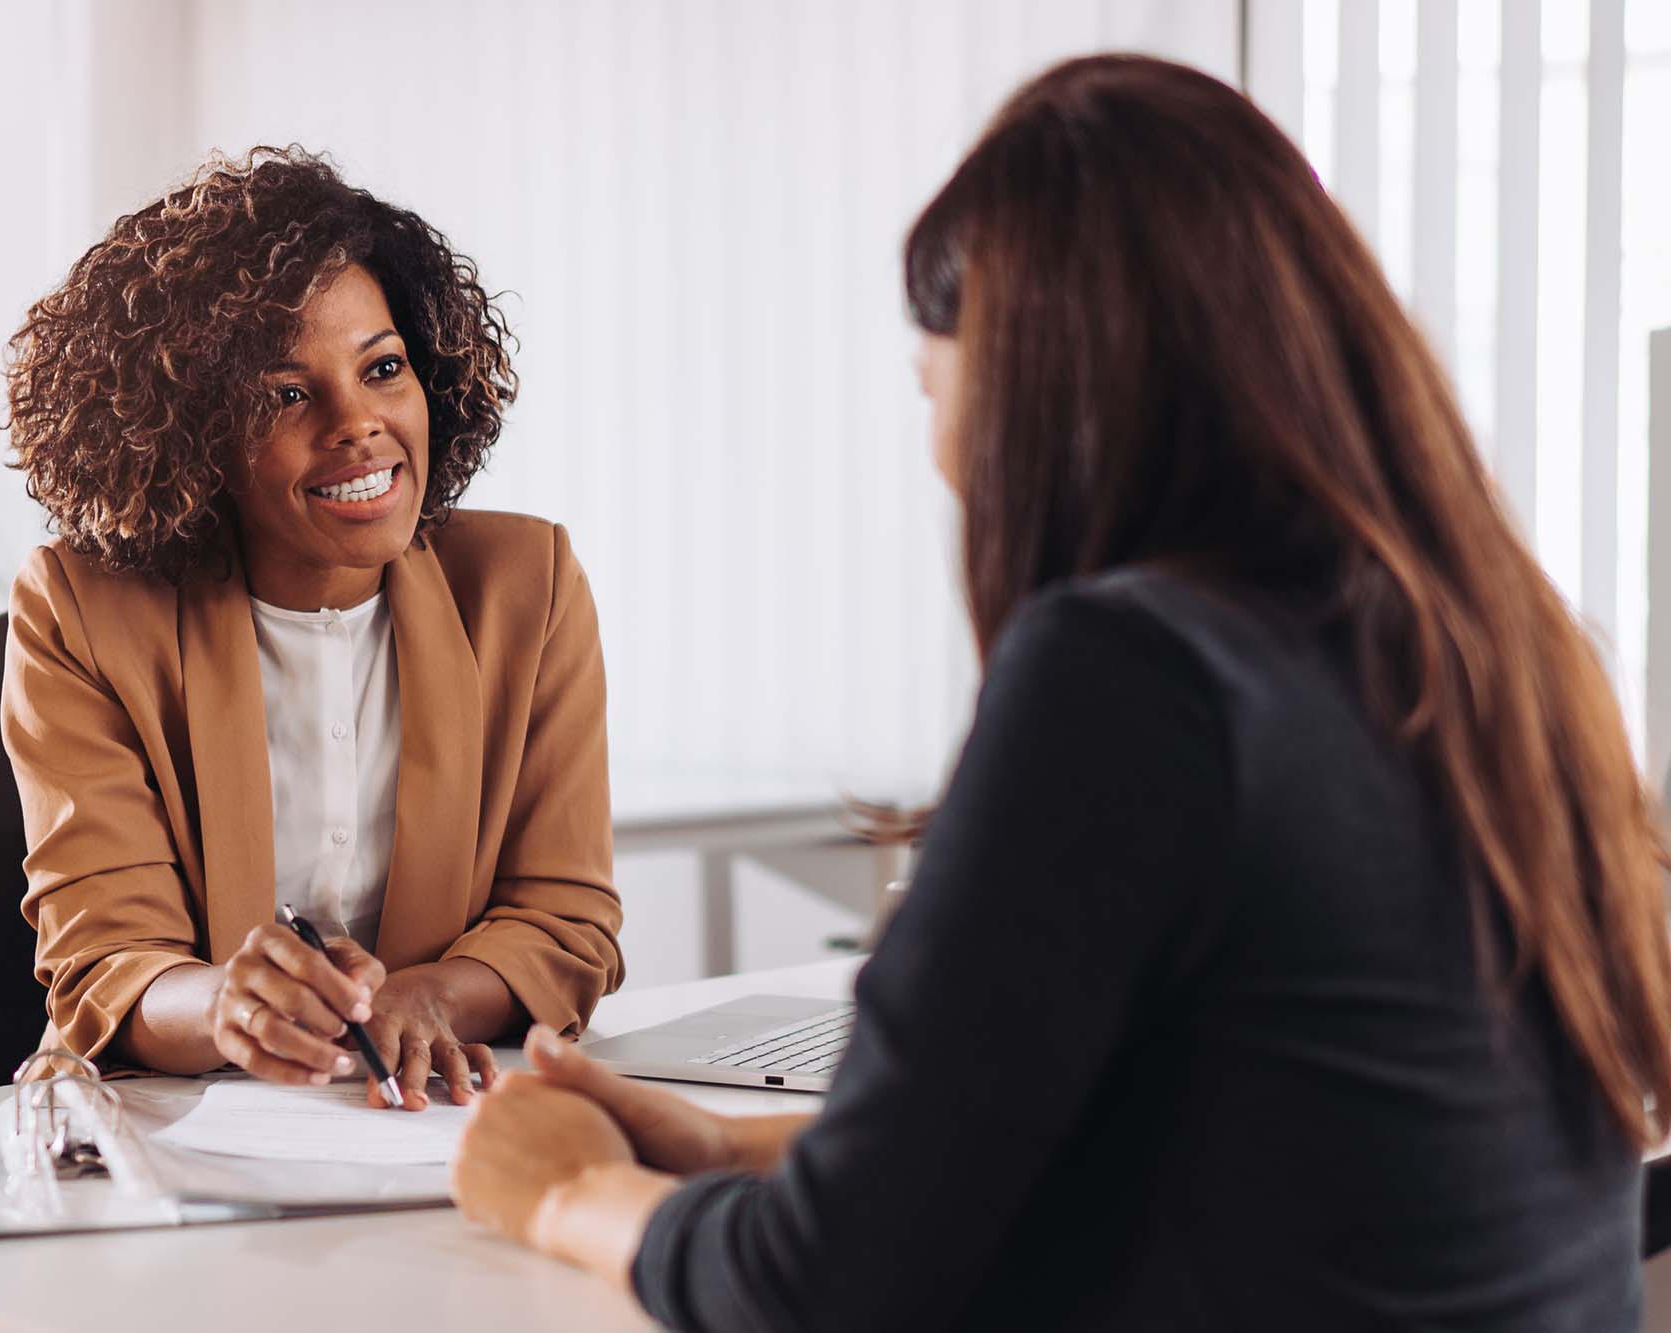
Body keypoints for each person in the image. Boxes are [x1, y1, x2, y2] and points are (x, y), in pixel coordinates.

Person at [451, 54, 1671, 1328]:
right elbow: (1216, 1147)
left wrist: (567, 1194)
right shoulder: (1512, 655)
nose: (940, 462)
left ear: (1036, 386)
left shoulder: (1136, 676)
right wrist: (722, 1152)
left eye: (934, 386)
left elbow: (826, 1291)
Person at [0, 147, 622, 1109]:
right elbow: (108, 960)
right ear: (194, 431)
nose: (359, 423)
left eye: (383, 368)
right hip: (169, 1137)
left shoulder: (524, 587)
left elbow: (565, 920)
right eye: (288, 394)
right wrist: (225, 1007)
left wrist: (428, 998)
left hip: (430, 1124)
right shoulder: (80, 610)